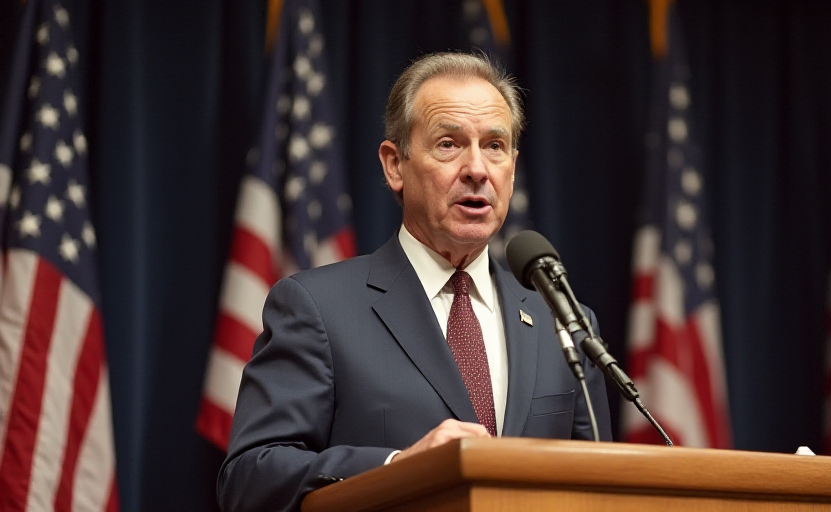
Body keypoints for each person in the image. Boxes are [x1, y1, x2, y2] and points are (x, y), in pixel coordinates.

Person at [217, 52, 612, 512]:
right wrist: (398, 465)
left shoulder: (563, 322)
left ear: (513, 165)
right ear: (394, 165)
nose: (477, 169)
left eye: (494, 146)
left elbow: (600, 487)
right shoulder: (317, 308)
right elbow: (249, 477)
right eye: (449, 144)